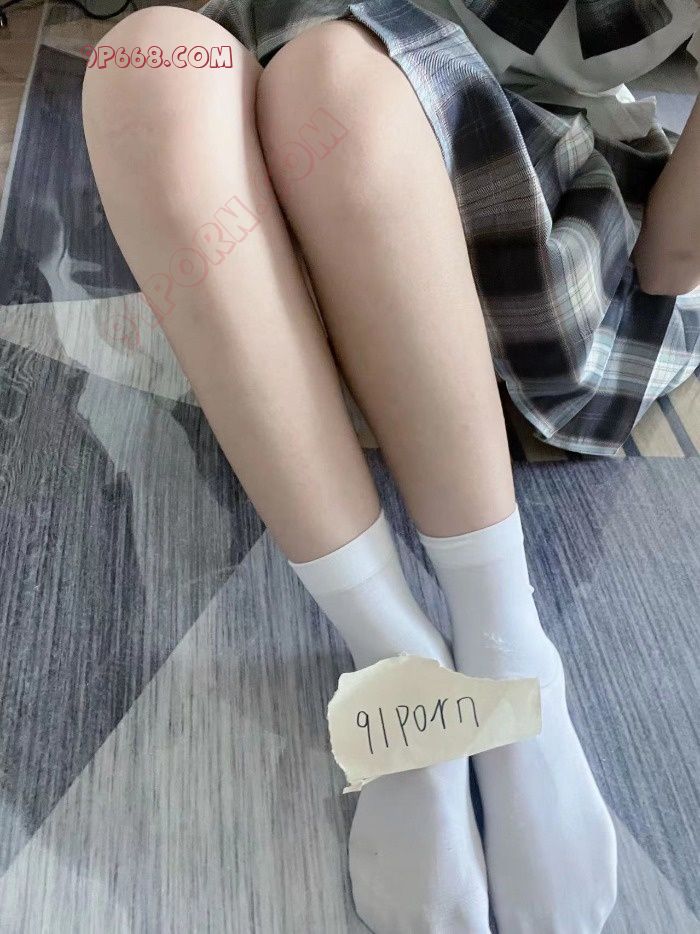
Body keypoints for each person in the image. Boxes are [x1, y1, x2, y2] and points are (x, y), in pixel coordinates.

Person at [81, 1, 699, 930]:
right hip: (244, 171)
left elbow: (669, 263)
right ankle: (397, 661)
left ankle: (504, 640)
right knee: (146, 65)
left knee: (335, 77)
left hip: (477, 173)